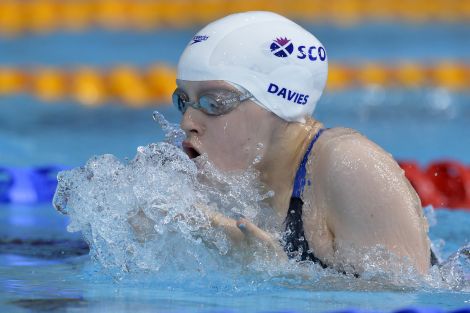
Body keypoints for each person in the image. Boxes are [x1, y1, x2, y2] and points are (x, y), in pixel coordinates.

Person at [172, 11, 433, 275]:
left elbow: (408, 296)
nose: (187, 121)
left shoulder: (350, 165)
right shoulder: (242, 180)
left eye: (214, 102)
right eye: (183, 100)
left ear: (276, 103)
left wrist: (278, 274)